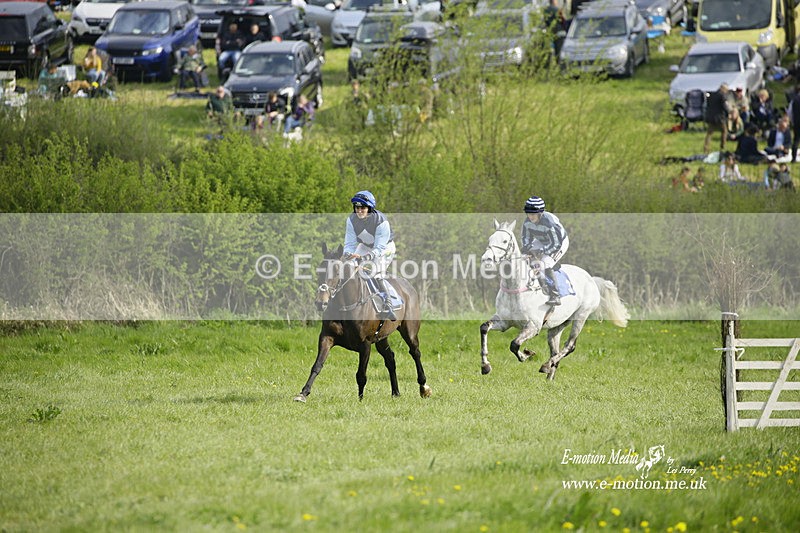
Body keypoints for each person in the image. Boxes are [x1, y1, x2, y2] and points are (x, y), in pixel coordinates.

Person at [343, 190, 397, 320]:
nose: (359, 211)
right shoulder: (351, 220)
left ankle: (388, 305)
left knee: (375, 272)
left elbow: (379, 248)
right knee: (348, 266)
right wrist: (347, 254)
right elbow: (349, 243)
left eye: (363, 208)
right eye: (357, 207)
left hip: (385, 248)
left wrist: (366, 258)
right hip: (365, 246)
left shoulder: (381, 221)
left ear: (370, 208)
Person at [520, 196, 569, 306]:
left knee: (546, 263)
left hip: (559, 243)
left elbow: (556, 244)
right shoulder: (527, 222)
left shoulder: (549, 222)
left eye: (533, 214)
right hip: (542, 240)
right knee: (524, 257)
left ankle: (555, 295)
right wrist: (527, 248)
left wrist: (541, 251)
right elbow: (526, 238)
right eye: (528, 213)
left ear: (540, 213)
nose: (530, 216)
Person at [704, 83, 730, 154]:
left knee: (709, 133)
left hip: (711, 117)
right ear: (724, 89)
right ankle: (722, 146)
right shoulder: (722, 96)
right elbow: (725, 107)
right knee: (724, 131)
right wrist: (728, 113)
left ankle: (706, 147)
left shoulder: (712, 94)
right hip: (719, 118)